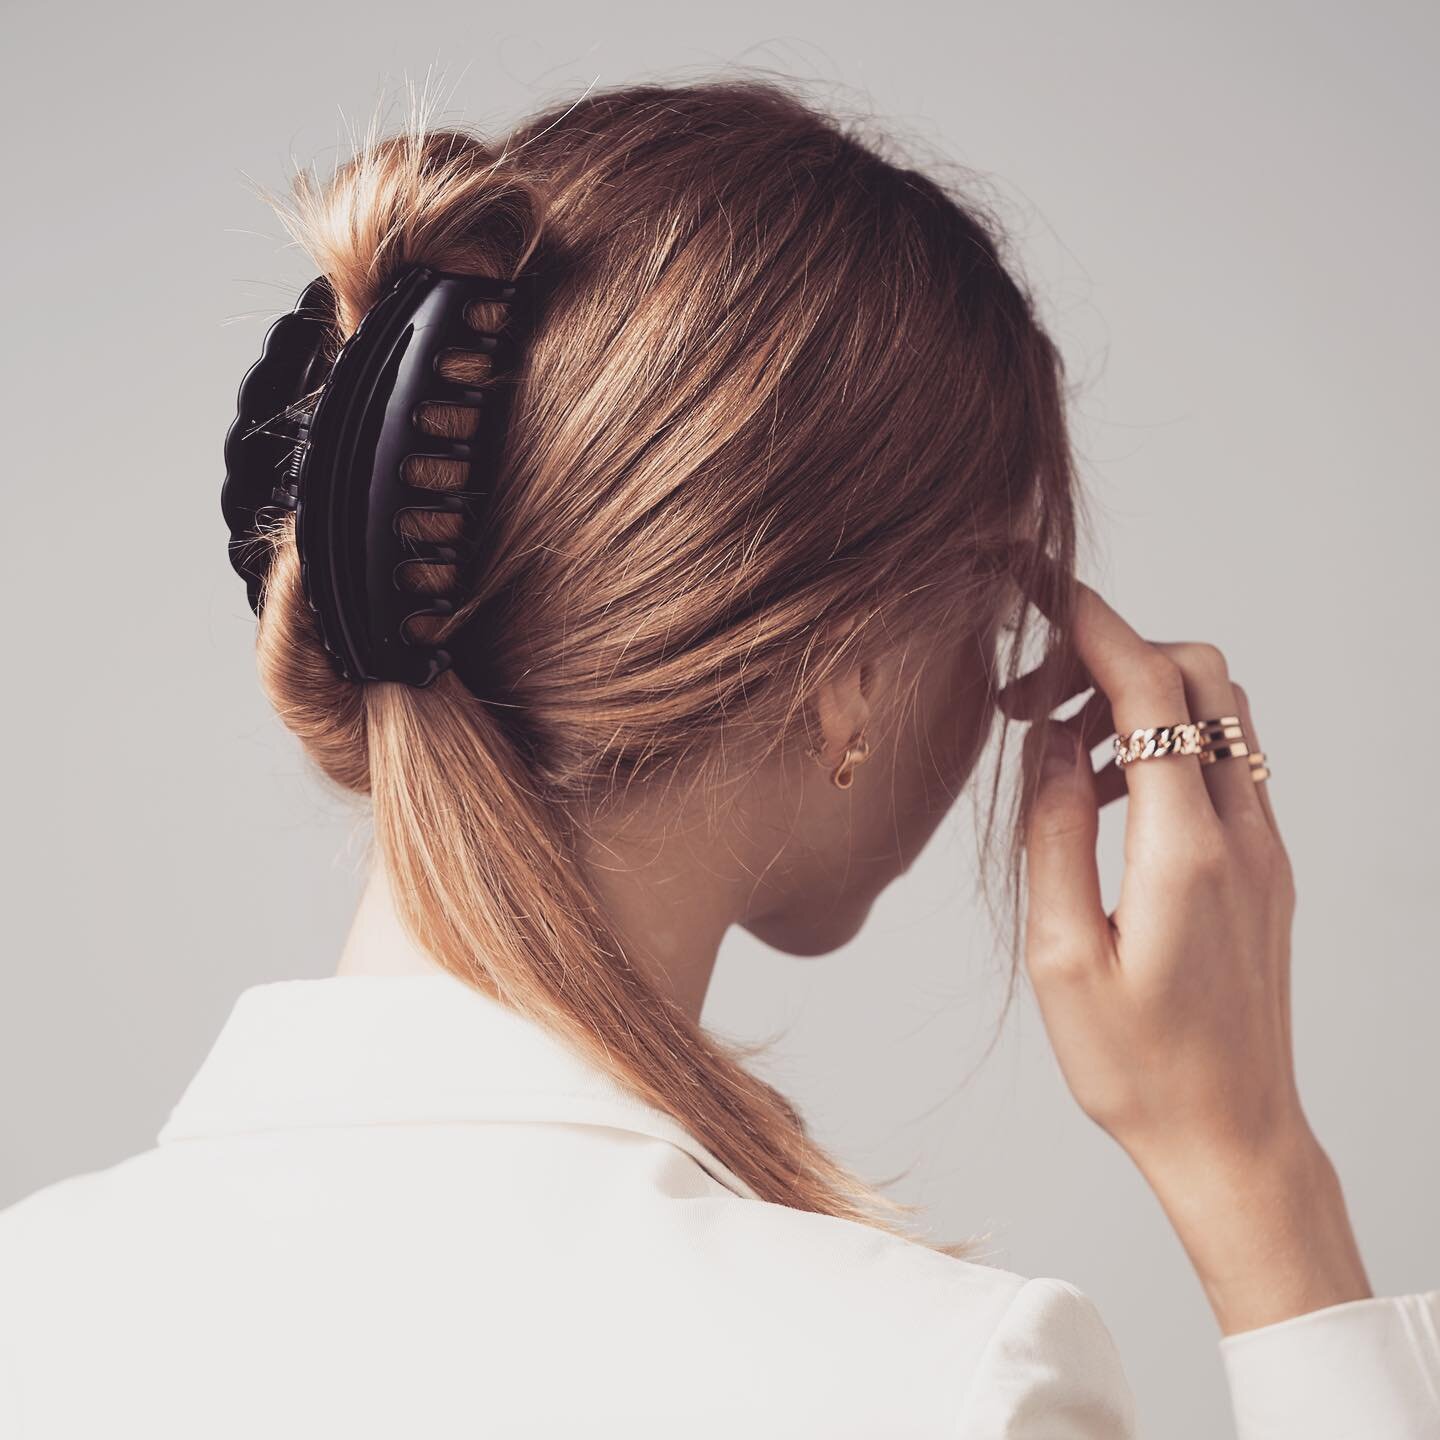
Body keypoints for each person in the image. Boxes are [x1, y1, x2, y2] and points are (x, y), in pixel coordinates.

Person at [1, 79, 1434, 1439]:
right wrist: (1258, 1176)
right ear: (852, 675)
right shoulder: (937, 1387)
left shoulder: (33, 1311)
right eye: (998, 617)